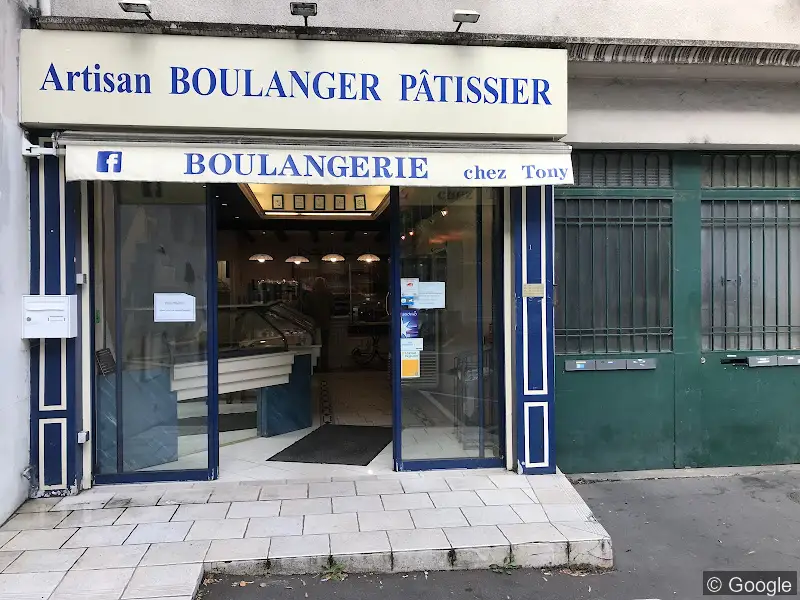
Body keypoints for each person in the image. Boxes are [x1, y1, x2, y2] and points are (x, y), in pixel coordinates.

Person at [304, 277, 335, 372]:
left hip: (314, 325)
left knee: (315, 346)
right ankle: (325, 367)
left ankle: (315, 366)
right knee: (325, 346)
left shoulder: (310, 296)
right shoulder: (329, 295)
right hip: (325, 324)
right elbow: (332, 308)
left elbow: (306, 310)